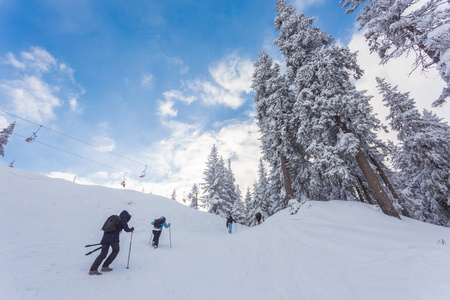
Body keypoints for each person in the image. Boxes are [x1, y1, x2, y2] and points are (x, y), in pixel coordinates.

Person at [88, 210, 134, 276]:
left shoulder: (115, 219)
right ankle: (105, 266)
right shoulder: (123, 218)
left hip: (105, 238)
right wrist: (131, 229)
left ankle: (93, 269)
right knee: (116, 250)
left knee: (103, 254)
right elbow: (126, 229)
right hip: (113, 238)